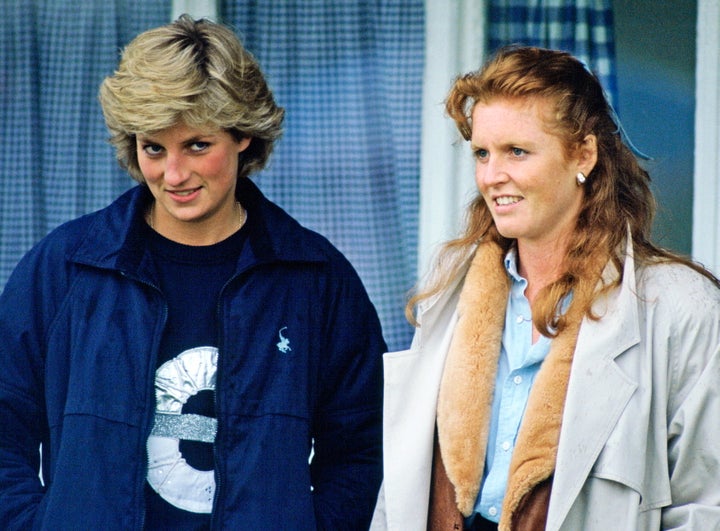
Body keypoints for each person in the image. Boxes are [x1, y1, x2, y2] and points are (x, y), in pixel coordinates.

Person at [0, 15, 385, 530]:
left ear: (243, 136)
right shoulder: (64, 269)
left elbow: (364, 449)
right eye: (153, 148)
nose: (173, 174)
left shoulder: (316, 279)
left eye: (197, 146)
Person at [371, 45, 720, 530]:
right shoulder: (449, 290)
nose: (492, 177)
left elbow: (707, 507)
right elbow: (403, 490)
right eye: (482, 153)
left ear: (583, 154)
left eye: (517, 151)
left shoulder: (680, 306)